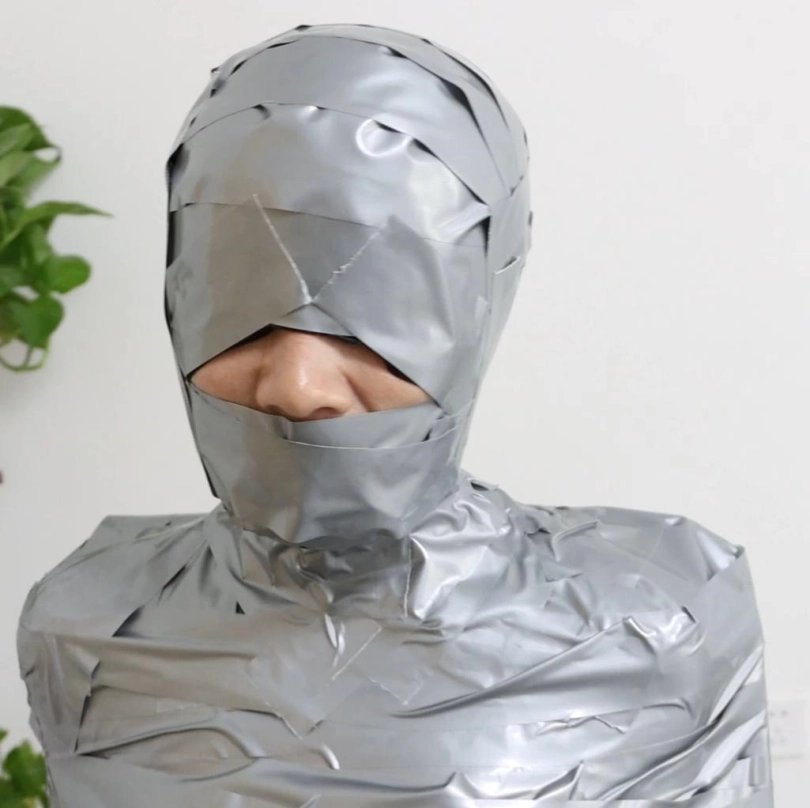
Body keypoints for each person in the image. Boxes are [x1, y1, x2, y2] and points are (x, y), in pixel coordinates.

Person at [17, 23, 772, 807]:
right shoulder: (86, 628)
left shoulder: (661, 621)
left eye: (376, 317)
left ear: (480, 304)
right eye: (238, 310)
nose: (297, 386)